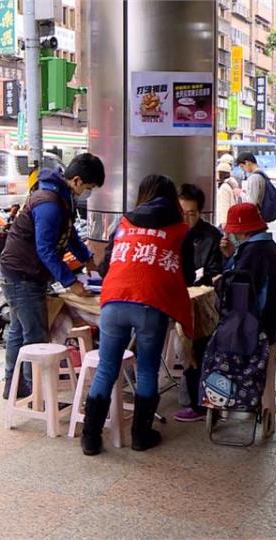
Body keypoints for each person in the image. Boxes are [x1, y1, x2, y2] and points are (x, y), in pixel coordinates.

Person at [82, 175, 195, 455]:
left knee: (107, 367)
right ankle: (141, 436)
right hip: (150, 304)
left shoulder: (123, 224)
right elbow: (188, 275)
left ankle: (90, 438)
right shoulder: (180, 229)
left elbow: (106, 267)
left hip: (113, 301)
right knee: (146, 369)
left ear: (143, 195)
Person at [0, 153, 104, 399]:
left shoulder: (61, 197)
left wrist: (87, 259)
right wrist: (71, 282)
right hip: (22, 275)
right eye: (87, 188)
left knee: (19, 330)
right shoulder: (49, 203)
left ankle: (13, 387)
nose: (86, 193)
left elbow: (69, 236)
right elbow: (45, 248)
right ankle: (36, 393)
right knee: (36, 336)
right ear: (76, 180)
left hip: (23, 272)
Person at [172, 183, 224, 422]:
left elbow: (215, 273)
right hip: (171, 295)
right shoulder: (171, 231)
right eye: (182, 212)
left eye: (191, 213)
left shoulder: (211, 237)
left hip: (200, 302)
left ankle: (198, 401)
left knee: (196, 340)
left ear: (200, 212)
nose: (186, 218)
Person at [218, 203, 276, 346]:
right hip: (273, 322)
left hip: (259, 328)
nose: (230, 235)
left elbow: (235, 294)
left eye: (233, 232)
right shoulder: (268, 247)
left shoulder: (254, 252)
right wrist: (230, 257)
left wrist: (219, 281)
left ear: (243, 232)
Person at [215, 161, 240, 229]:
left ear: (221, 173)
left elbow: (224, 207)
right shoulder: (232, 184)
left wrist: (224, 225)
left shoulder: (224, 187)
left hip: (225, 223)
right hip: (232, 220)